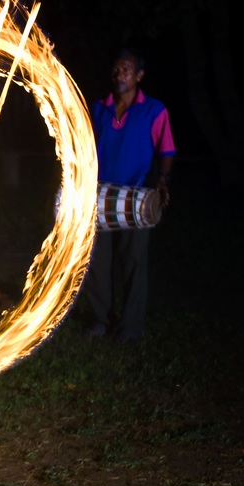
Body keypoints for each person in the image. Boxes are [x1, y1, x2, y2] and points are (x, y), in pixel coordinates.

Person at [81, 47, 175, 343]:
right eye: (116, 69)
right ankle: (100, 320)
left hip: (136, 199)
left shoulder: (155, 110)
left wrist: (162, 179)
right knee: (96, 261)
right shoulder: (99, 107)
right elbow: (86, 146)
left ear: (139, 76)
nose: (119, 74)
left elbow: (167, 149)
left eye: (126, 70)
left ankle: (130, 328)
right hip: (100, 196)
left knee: (133, 262)